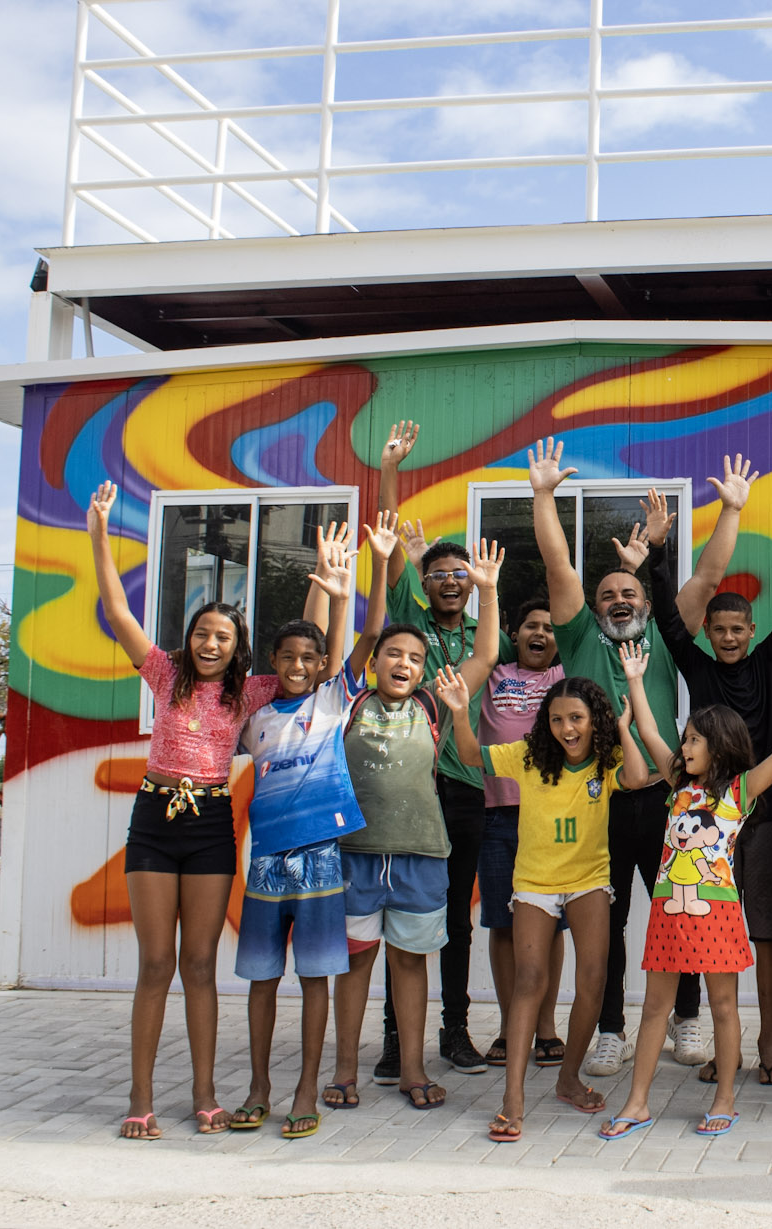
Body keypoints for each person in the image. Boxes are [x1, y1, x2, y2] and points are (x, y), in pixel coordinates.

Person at [86, 479, 291, 1140]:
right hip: (154, 819)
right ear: (190, 636)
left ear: (237, 647)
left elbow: (311, 660)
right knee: (155, 964)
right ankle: (139, 1095)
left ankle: (205, 1093)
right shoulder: (164, 674)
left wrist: (333, 581)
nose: (210, 643)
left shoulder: (251, 691)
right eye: (203, 632)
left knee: (200, 964)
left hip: (208, 827)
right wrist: (98, 529)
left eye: (223, 637)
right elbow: (117, 612)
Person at [597, 671, 772, 1141]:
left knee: (723, 1007)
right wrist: (637, 681)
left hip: (716, 918)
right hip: (668, 915)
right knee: (655, 1010)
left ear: (718, 745)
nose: (685, 746)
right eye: (686, 739)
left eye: (694, 739)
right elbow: (651, 733)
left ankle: (724, 1099)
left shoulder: (741, 790)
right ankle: (637, 1102)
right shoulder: (676, 781)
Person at [528, 439, 712, 1074]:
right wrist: (544, 495)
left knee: (678, 910)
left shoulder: (663, 632)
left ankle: (688, 1019)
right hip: (595, 803)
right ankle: (610, 1028)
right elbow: (557, 566)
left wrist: (715, 519)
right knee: (604, 927)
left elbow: (709, 577)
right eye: (607, 592)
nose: (618, 599)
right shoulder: (578, 635)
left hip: (663, 798)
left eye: (628, 590)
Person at [643, 476, 772, 1086]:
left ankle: (765, 1044)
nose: (729, 637)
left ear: (750, 629)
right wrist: (661, 552)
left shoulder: (770, 657)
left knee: (763, 934)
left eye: (738, 628)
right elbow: (666, 618)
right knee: (722, 936)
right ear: (710, 634)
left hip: (765, 816)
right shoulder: (696, 663)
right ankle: (728, 1046)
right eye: (719, 630)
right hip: (706, 822)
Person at [328, 538, 503, 1113]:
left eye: (415, 658)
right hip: (357, 853)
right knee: (357, 962)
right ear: (373, 661)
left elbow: (482, 655)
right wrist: (379, 564)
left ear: (426, 669)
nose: (403, 664)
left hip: (421, 854)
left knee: (409, 961)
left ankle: (410, 1068)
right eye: (392, 654)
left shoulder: (432, 706)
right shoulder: (349, 700)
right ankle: (346, 1070)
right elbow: (368, 627)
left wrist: (490, 589)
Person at [373, 421, 516, 1079]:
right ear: (426, 582)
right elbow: (388, 544)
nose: (449, 580)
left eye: (460, 574)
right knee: (398, 915)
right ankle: (396, 1040)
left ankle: (454, 1030)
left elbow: (489, 651)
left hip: (461, 793)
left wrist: (489, 586)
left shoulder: (474, 640)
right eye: (440, 573)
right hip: (401, 789)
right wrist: (391, 469)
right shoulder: (411, 625)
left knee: (457, 917)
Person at [485, 652, 674, 1142]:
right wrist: (460, 708)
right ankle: (513, 1099)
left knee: (593, 981)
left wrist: (624, 727)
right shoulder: (529, 754)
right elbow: (470, 754)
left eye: (576, 719)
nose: (566, 728)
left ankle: (569, 1078)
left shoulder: (606, 760)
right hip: (534, 884)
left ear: (595, 722)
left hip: (589, 879)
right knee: (530, 979)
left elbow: (636, 778)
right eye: (557, 719)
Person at [229, 517, 366, 1139]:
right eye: (288, 656)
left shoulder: (331, 702)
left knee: (316, 980)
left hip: (320, 862)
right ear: (272, 663)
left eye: (310, 658)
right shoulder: (253, 717)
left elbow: (347, 648)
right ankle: (258, 1087)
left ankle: (306, 1089)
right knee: (261, 980)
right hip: (264, 865)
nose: (300, 665)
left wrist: (339, 591)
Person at [477, 595, 571, 1071]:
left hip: (548, 818)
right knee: (502, 923)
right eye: (532, 626)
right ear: (514, 633)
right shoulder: (492, 672)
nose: (541, 634)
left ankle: (547, 1027)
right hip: (496, 816)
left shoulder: (564, 679)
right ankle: (510, 1023)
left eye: (551, 628)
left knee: (550, 924)